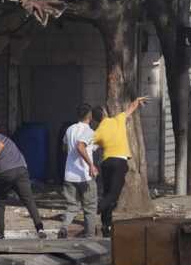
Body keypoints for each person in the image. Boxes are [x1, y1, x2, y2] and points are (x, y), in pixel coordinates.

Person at [91, 97, 147, 236]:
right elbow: (130, 109)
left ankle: (106, 225)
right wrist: (138, 101)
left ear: (95, 120)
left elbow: (89, 147)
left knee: (107, 193)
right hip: (119, 162)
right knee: (113, 195)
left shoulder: (97, 131)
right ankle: (96, 209)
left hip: (106, 163)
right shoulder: (117, 119)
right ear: (104, 113)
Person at [0, 121, 46, 239]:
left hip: (6, 172)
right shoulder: (7, 139)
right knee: (29, 200)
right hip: (21, 169)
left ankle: (0, 233)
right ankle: (40, 228)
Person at [60, 104, 99, 239]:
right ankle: (89, 236)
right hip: (85, 176)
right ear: (90, 116)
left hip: (69, 174)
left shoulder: (70, 129)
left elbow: (65, 147)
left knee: (72, 206)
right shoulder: (89, 131)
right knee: (90, 208)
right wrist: (91, 165)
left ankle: (64, 227)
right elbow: (80, 147)